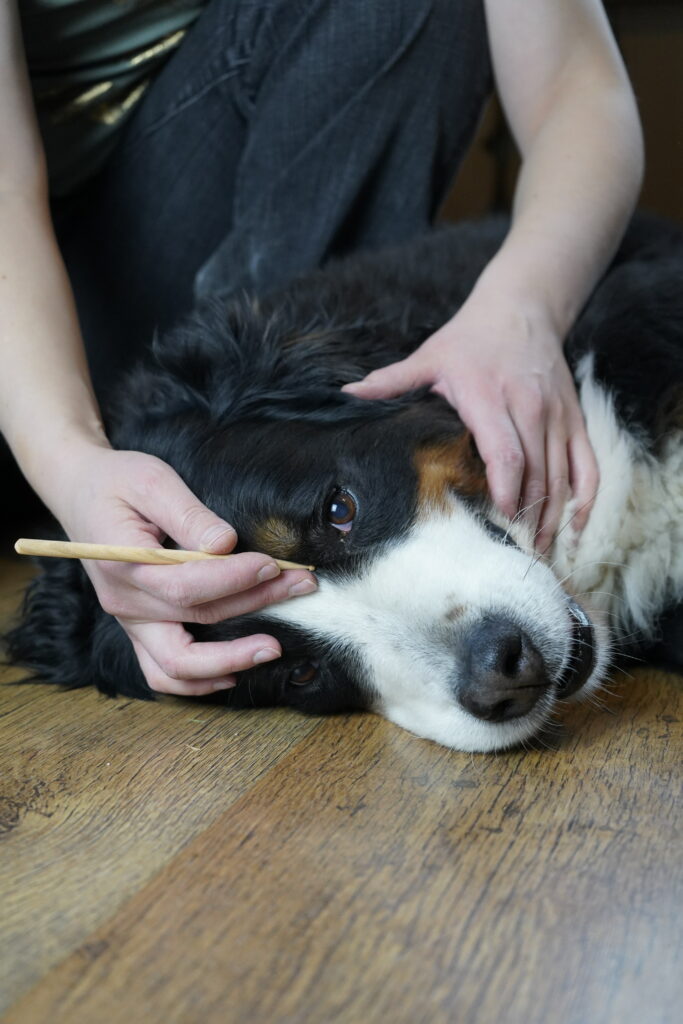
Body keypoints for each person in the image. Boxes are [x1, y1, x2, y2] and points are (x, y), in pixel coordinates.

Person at [0, 1, 643, 698]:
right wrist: (68, 461)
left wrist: (520, 309)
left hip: (207, 230)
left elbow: (576, 81)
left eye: (341, 512)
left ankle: (341, 403)